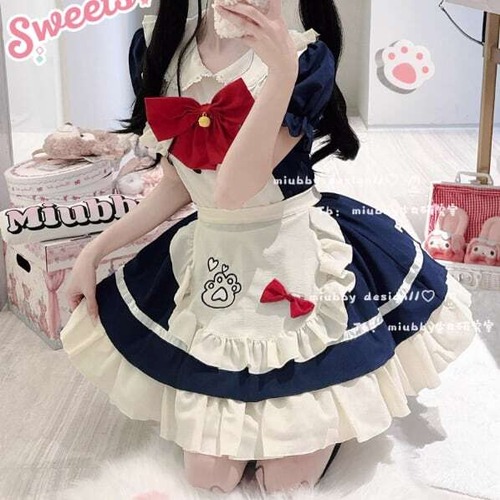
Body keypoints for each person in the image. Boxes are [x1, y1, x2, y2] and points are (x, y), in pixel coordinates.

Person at [60, 0, 476, 494]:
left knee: (285, 480)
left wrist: (280, 75)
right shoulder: (160, 50)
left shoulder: (303, 57)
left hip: (291, 247)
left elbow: (235, 188)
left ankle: (318, 423)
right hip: (216, 252)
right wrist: (94, 251)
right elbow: (179, 184)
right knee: (208, 476)